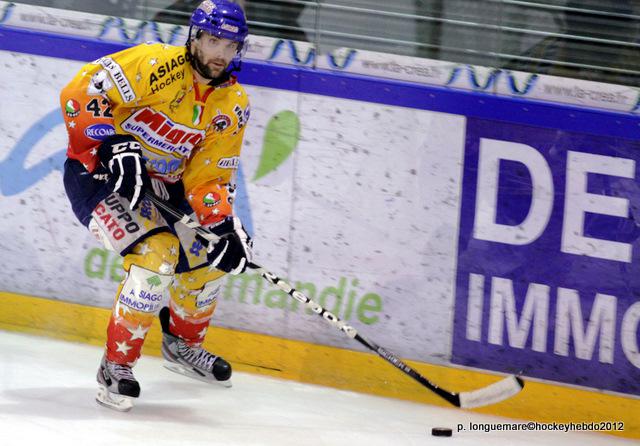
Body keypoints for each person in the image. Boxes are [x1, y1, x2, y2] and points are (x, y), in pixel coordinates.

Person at [60, 0, 253, 411]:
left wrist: (221, 224)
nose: (220, 53)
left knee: (214, 254)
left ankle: (182, 345)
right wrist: (111, 142)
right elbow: (81, 90)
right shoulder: (155, 64)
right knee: (157, 255)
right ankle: (115, 366)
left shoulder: (233, 104)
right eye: (213, 41)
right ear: (194, 37)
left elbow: (208, 177)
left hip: (162, 189)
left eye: (230, 45)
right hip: (99, 176)